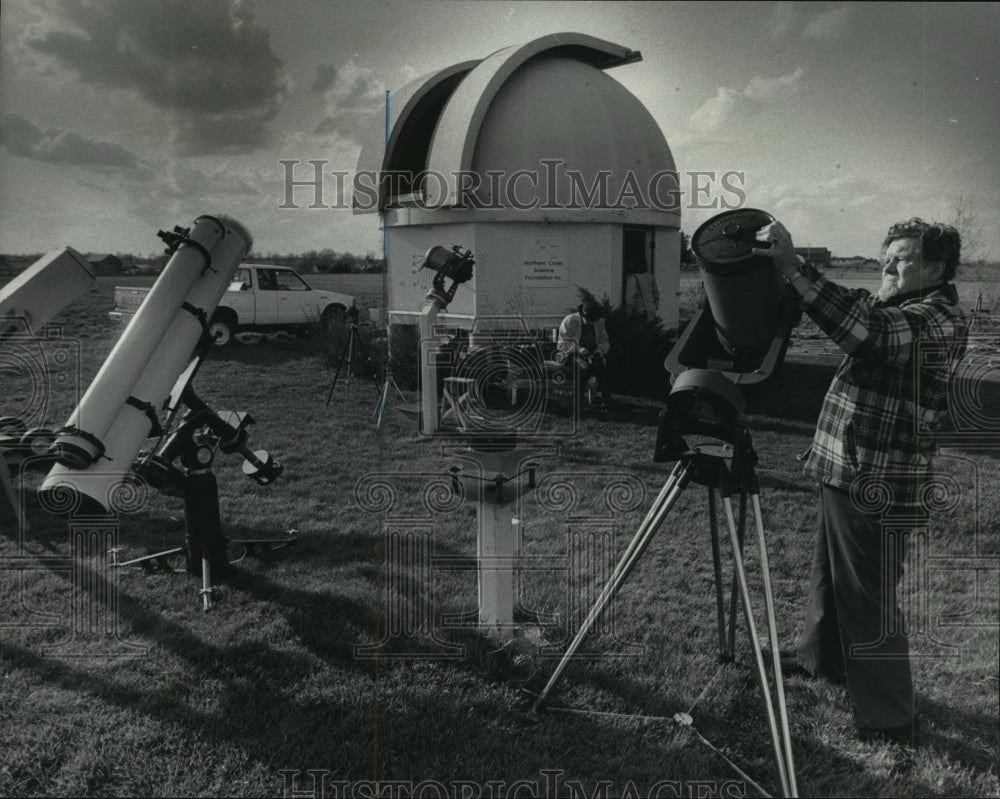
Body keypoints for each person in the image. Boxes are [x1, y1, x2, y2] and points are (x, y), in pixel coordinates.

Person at [752, 217, 968, 747]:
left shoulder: (937, 318)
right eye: (885, 255)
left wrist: (794, 270)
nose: (887, 265)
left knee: (866, 592)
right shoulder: (901, 308)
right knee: (829, 571)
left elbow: (867, 334)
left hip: (877, 480)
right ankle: (818, 658)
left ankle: (890, 716)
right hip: (845, 468)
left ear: (937, 268)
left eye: (902, 257)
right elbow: (863, 315)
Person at [557, 299, 611, 409]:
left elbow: (604, 341)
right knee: (585, 369)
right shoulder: (570, 320)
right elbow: (562, 343)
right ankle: (577, 405)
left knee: (601, 367)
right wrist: (580, 349)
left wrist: (600, 350)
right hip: (571, 354)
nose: (592, 323)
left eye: (594, 320)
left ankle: (607, 403)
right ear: (583, 315)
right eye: (589, 320)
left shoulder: (599, 322)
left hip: (592, 354)